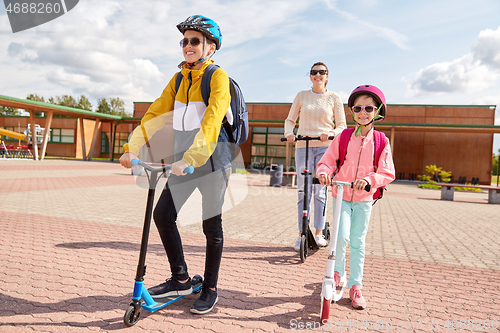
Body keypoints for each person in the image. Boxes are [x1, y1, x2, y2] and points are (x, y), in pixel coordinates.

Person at [119, 14, 232, 315]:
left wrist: (191, 158)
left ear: (211, 47)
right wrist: (131, 148)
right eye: (184, 41)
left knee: (212, 226)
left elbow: (211, 122)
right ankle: (181, 278)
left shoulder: (216, 78)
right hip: (184, 162)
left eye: (195, 41)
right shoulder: (179, 78)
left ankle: (210, 288)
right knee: (163, 214)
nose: (188, 46)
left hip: (212, 162)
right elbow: (154, 115)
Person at [316, 85, 395, 310]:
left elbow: (387, 172)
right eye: (358, 108)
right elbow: (328, 160)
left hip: (364, 199)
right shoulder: (343, 137)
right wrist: (324, 173)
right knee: (340, 238)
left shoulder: (381, 140)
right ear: (352, 111)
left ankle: (356, 285)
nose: (363, 112)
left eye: (368, 108)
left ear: (377, 111)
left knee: (358, 242)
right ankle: (337, 274)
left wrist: (370, 180)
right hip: (341, 194)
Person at [284, 62, 346, 251]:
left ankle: (318, 233)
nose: (317, 75)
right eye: (314, 72)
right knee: (303, 191)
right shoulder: (302, 96)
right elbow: (290, 120)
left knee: (319, 191)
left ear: (327, 76)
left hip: (325, 148)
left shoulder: (334, 97)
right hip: (303, 145)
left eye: (322, 72)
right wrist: (289, 133)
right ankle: (302, 234)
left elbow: (342, 125)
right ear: (310, 76)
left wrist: (331, 133)